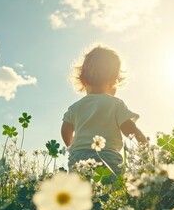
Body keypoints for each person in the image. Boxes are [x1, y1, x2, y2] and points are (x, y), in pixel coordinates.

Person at [61, 44, 147, 175]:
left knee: (80, 192)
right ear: (114, 81)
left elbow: (65, 129)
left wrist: (72, 147)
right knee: (111, 191)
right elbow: (129, 129)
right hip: (107, 158)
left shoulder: (75, 107)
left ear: (82, 80)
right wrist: (145, 146)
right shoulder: (115, 103)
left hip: (78, 158)